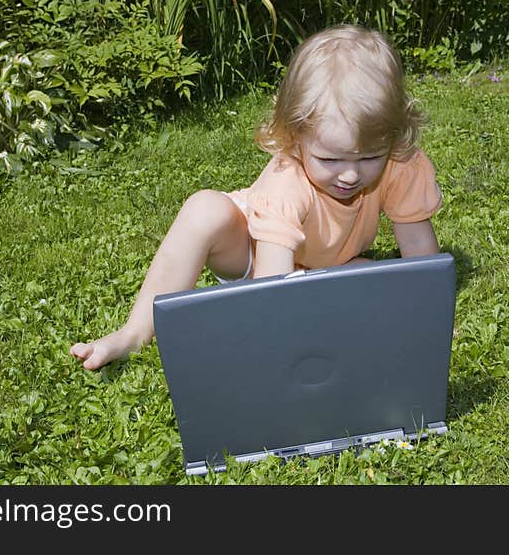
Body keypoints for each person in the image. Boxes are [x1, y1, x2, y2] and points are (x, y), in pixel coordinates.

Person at [70, 24, 443, 371]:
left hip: (318, 267)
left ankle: (320, 290)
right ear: (295, 137)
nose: (350, 174)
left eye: (370, 158)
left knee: (385, 282)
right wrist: (278, 343)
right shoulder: (286, 183)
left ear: (393, 137)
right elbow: (270, 290)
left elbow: (419, 255)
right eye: (330, 159)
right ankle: (134, 332)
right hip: (254, 256)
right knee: (204, 210)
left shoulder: (400, 163)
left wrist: (426, 321)